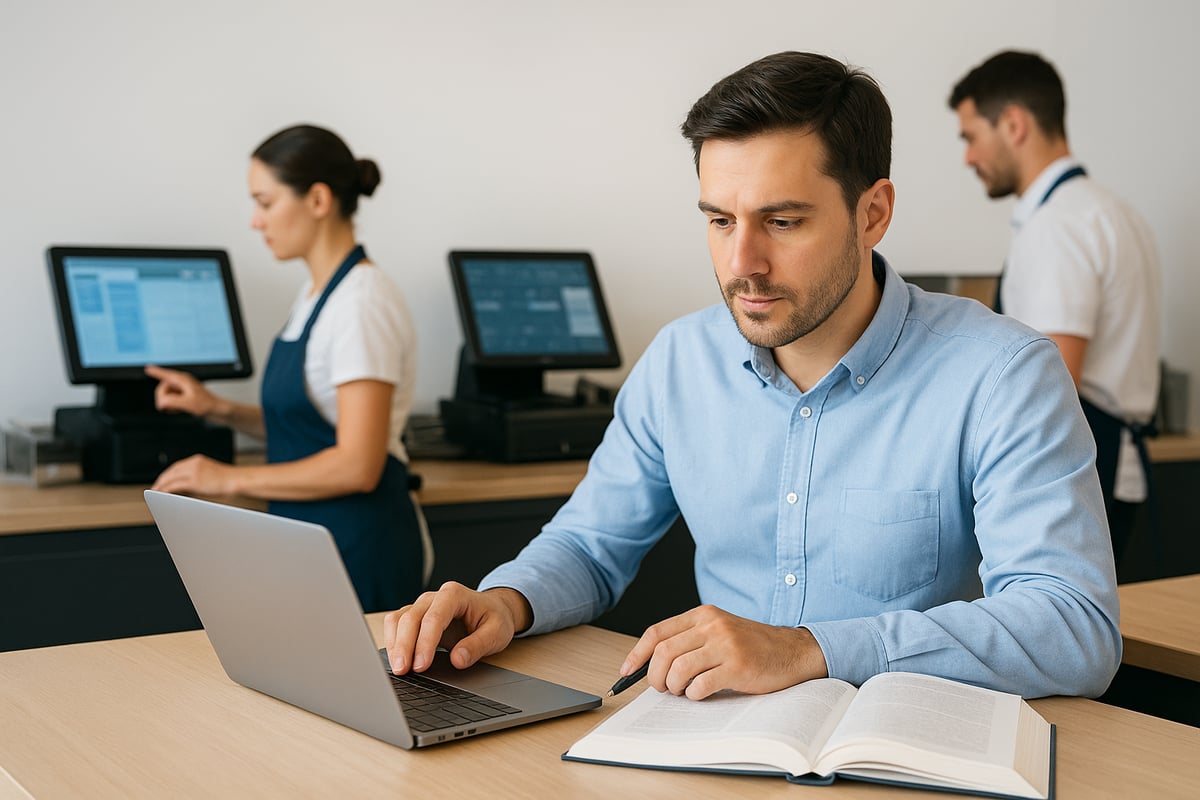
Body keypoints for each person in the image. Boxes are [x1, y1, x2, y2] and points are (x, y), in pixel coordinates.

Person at [384, 52, 1120, 700]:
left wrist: (810, 650)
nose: (742, 265)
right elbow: (587, 546)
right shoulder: (679, 363)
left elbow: (1074, 624)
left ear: (873, 213)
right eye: (719, 220)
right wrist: (507, 601)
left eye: (783, 221)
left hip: (903, 752)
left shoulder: (1002, 373)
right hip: (715, 747)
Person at [146, 124, 428, 613]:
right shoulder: (318, 295)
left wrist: (226, 479)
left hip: (362, 545)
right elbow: (310, 424)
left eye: (266, 201)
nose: (256, 221)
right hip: (315, 537)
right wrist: (217, 409)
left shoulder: (362, 303)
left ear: (318, 200)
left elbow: (357, 464)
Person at [948, 51, 1163, 563]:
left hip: (1080, 460)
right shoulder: (1113, 211)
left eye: (971, 136)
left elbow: (1053, 381)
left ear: (1014, 125)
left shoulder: (1056, 227)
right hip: (1118, 459)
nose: (969, 158)